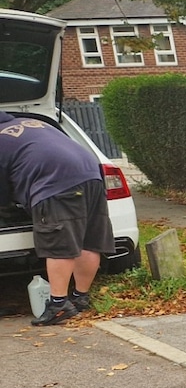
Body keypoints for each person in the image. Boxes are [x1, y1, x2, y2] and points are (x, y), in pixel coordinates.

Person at [0, 110, 113, 325]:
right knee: (88, 241)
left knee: (58, 243)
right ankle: (81, 298)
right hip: (92, 175)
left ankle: (59, 304)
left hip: (54, 183)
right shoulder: (32, 122)